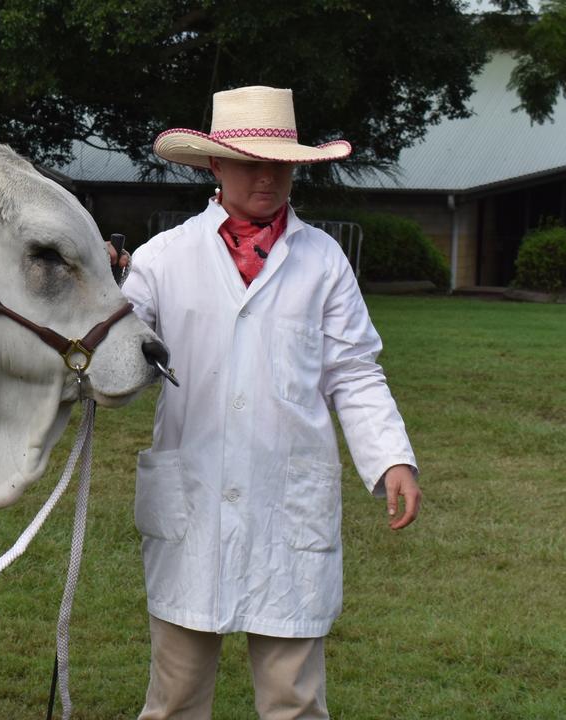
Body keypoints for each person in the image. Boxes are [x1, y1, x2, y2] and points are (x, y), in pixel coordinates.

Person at [113, 86, 422, 720]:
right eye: (249, 162)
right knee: (174, 695)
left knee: (294, 699)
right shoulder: (161, 260)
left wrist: (392, 457)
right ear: (215, 167)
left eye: (278, 163)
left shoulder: (323, 261)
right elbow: (118, 354)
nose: (265, 176)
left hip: (289, 502)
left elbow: (354, 370)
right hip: (191, 497)